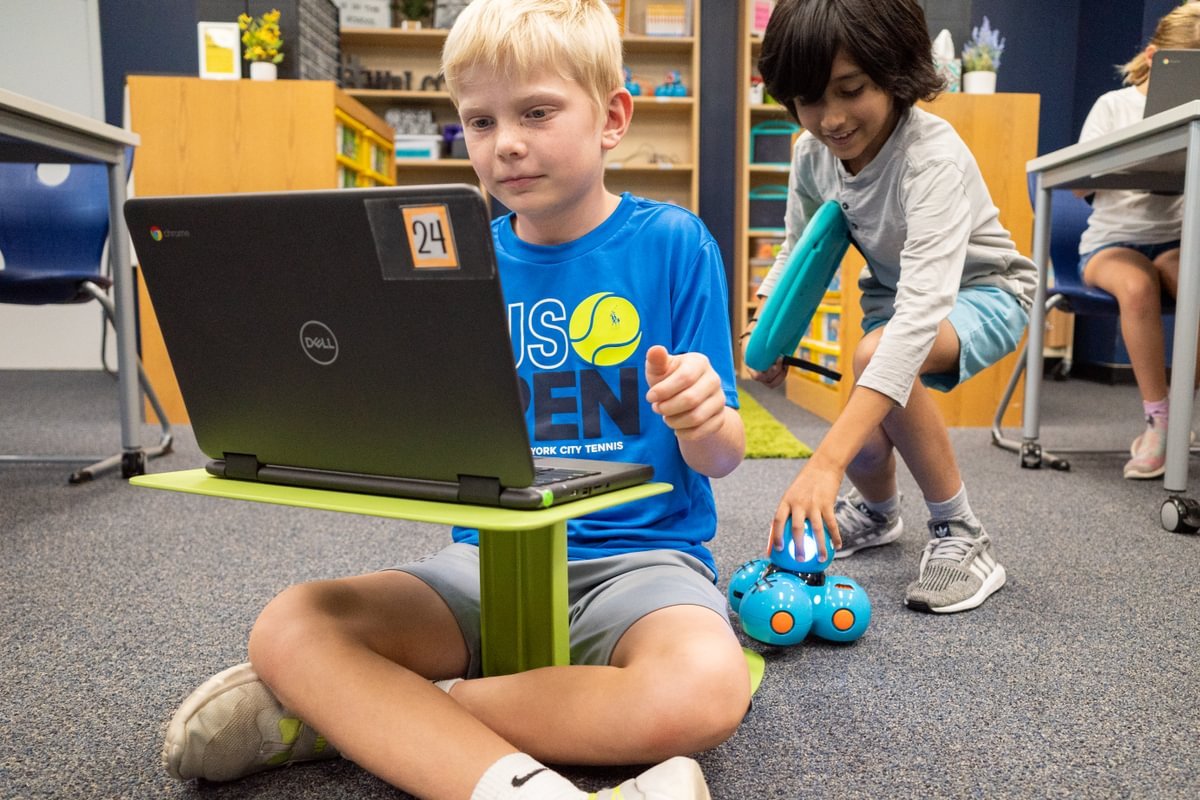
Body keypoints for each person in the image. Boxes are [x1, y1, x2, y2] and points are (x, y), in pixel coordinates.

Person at [158, 1, 749, 798]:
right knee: (290, 626)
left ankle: (364, 721)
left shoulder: (676, 244)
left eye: (537, 112)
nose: (505, 143)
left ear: (612, 118)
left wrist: (706, 418)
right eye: (479, 121)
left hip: (640, 565)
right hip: (482, 563)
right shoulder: (446, 258)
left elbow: (722, 456)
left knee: (708, 688)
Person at [748, 0, 1036, 614]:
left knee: (877, 359)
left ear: (894, 71)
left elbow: (920, 317)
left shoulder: (929, 156)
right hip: (893, 299)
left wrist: (823, 465)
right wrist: (770, 325)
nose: (829, 119)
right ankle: (879, 514)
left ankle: (963, 533)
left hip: (985, 291)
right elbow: (800, 250)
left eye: (849, 91)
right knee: (869, 422)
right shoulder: (811, 154)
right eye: (806, 100)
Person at [1076, 1, 1200, 480]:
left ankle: (1178, 410)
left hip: (1173, 241)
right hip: (1111, 244)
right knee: (1137, 287)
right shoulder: (1115, 106)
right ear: (1154, 58)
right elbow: (1079, 182)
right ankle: (1159, 421)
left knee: (1193, 281)